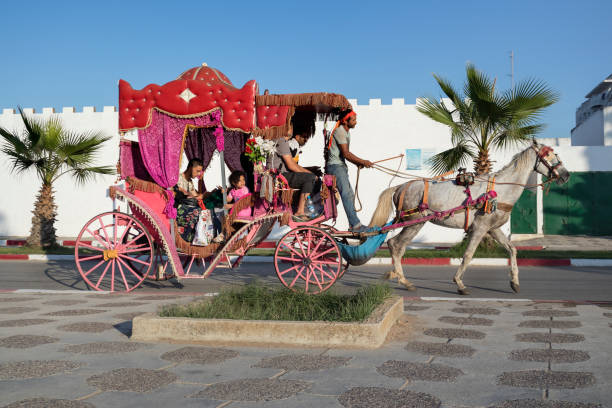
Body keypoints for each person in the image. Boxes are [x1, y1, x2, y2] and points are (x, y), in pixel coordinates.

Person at [325, 110, 374, 233]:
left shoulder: (345, 132)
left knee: (350, 195)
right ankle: (355, 225)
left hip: (340, 166)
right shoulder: (340, 131)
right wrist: (362, 161)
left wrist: (359, 163)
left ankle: (354, 224)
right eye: (353, 120)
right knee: (347, 195)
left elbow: (345, 154)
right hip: (336, 167)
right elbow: (346, 154)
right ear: (345, 121)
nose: (356, 122)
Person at [268, 132, 318, 221]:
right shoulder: (281, 140)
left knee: (310, 176)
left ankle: (308, 208)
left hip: (280, 174)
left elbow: (294, 165)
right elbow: (292, 165)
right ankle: (300, 211)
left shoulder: (283, 141)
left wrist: (310, 173)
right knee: (309, 178)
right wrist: (311, 175)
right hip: (279, 176)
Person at [174, 158, 204, 242]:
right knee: (197, 212)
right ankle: (183, 241)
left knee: (204, 212)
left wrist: (200, 182)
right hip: (177, 207)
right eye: (197, 171)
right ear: (191, 168)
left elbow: (196, 197)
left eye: (200, 172)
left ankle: (194, 239)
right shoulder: (178, 178)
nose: (198, 174)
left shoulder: (190, 182)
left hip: (186, 207)